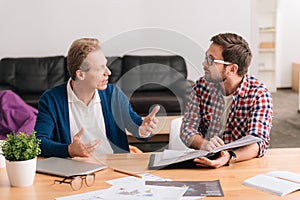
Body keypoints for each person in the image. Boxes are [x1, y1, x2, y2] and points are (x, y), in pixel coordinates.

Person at [34, 38, 160, 158]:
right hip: (74, 169)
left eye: (106, 65)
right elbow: (39, 142)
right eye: (100, 68)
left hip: (114, 167)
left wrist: (143, 130)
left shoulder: (113, 95)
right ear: (81, 74)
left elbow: (136, 126)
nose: (108, 72)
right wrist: (69, 150)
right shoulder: (51, 99)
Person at [180, 32, 273, 168]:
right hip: (203, 164)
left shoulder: (259, 94)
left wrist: (230, 157)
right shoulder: (201, 87)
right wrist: (204, 144)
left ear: (231, 69)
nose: (204, 63)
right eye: (206, 57)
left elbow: (258, 142)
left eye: (211, 60)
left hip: (240, 166)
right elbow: (187, 129)